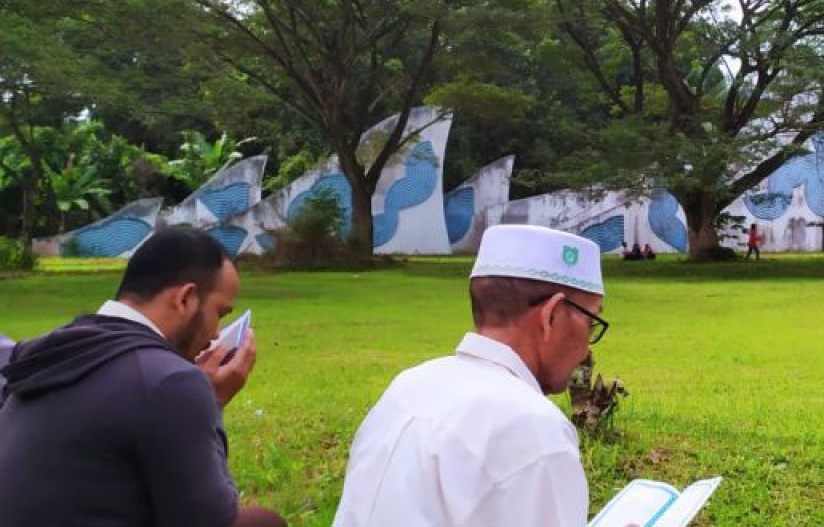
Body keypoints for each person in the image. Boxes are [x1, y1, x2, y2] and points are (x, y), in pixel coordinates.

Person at [0, 227, 283, 527]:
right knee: (264, 523)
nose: (215, 335)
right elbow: (211, 520)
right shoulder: (169, 380)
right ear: (185, 298)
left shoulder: (59, 350)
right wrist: (213, 401)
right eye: (220, 313)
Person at [334, 225, 613, 527]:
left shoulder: (409, 386)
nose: (586, 349)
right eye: (591, 321)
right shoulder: (534, 428)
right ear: (552, 315)